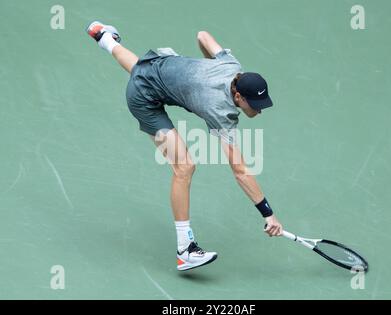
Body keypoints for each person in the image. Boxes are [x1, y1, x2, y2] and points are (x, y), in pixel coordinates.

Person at [86, 21, 284, 271]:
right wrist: (268, 213)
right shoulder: (219, 110)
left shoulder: (232, 66)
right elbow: (240, 171)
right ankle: (185, 250)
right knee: (184, 166)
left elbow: (202, 35)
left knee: (139, 70)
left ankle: (103, 36)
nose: (259, 111)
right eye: (255, 106)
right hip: (143, 100)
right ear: (237, 97)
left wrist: (207, 69)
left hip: (159, 65)